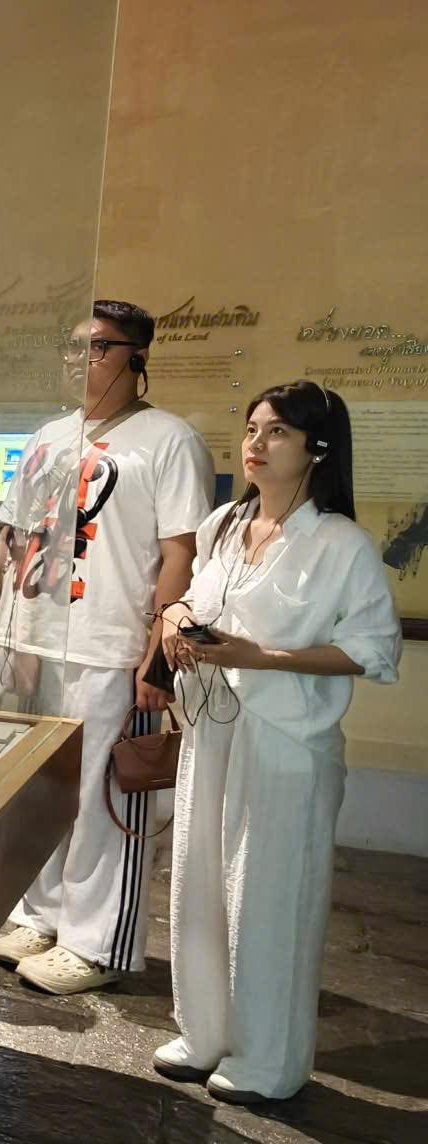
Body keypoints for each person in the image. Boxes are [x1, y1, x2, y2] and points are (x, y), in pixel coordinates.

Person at [154, 383, 399, 1103]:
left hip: (288, 739)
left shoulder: (341, 544)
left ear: (317, 448)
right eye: (252, 428)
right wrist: (175, 619)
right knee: (199, 882)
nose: (255, 444)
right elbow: (194, 599)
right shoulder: (224, 524)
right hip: (212, 729)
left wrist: (259, 657)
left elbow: (372, 650)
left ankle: (270, 1059)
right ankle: (204, 1032)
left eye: (278, 432)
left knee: (270, 896)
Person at [0, 300, 215, 996]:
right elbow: (15, 540)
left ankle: (96, 940)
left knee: (104, 794)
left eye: (97, 347)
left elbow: (181, 554)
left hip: (112, 642)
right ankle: (41, 914)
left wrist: (157, 657)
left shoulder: (168, 439)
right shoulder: (49, 436)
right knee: (44, 789)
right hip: (42, 636)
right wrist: (4, 631)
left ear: (135, 358)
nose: (78, 359)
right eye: (72, 345)